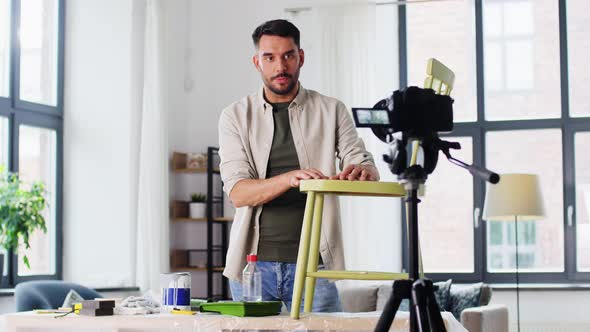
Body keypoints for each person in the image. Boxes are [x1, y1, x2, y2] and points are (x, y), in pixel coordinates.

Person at [218, 19, 379, 312]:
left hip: (315, 266)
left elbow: (360, 159)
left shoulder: (332, 110)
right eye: (270, 57)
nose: (280, 66)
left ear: (300, 57)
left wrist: (362, 171)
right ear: (257, 62)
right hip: (252, 267)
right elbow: (239, 193)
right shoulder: (235, 116)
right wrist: (290, 178)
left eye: (288, 55)